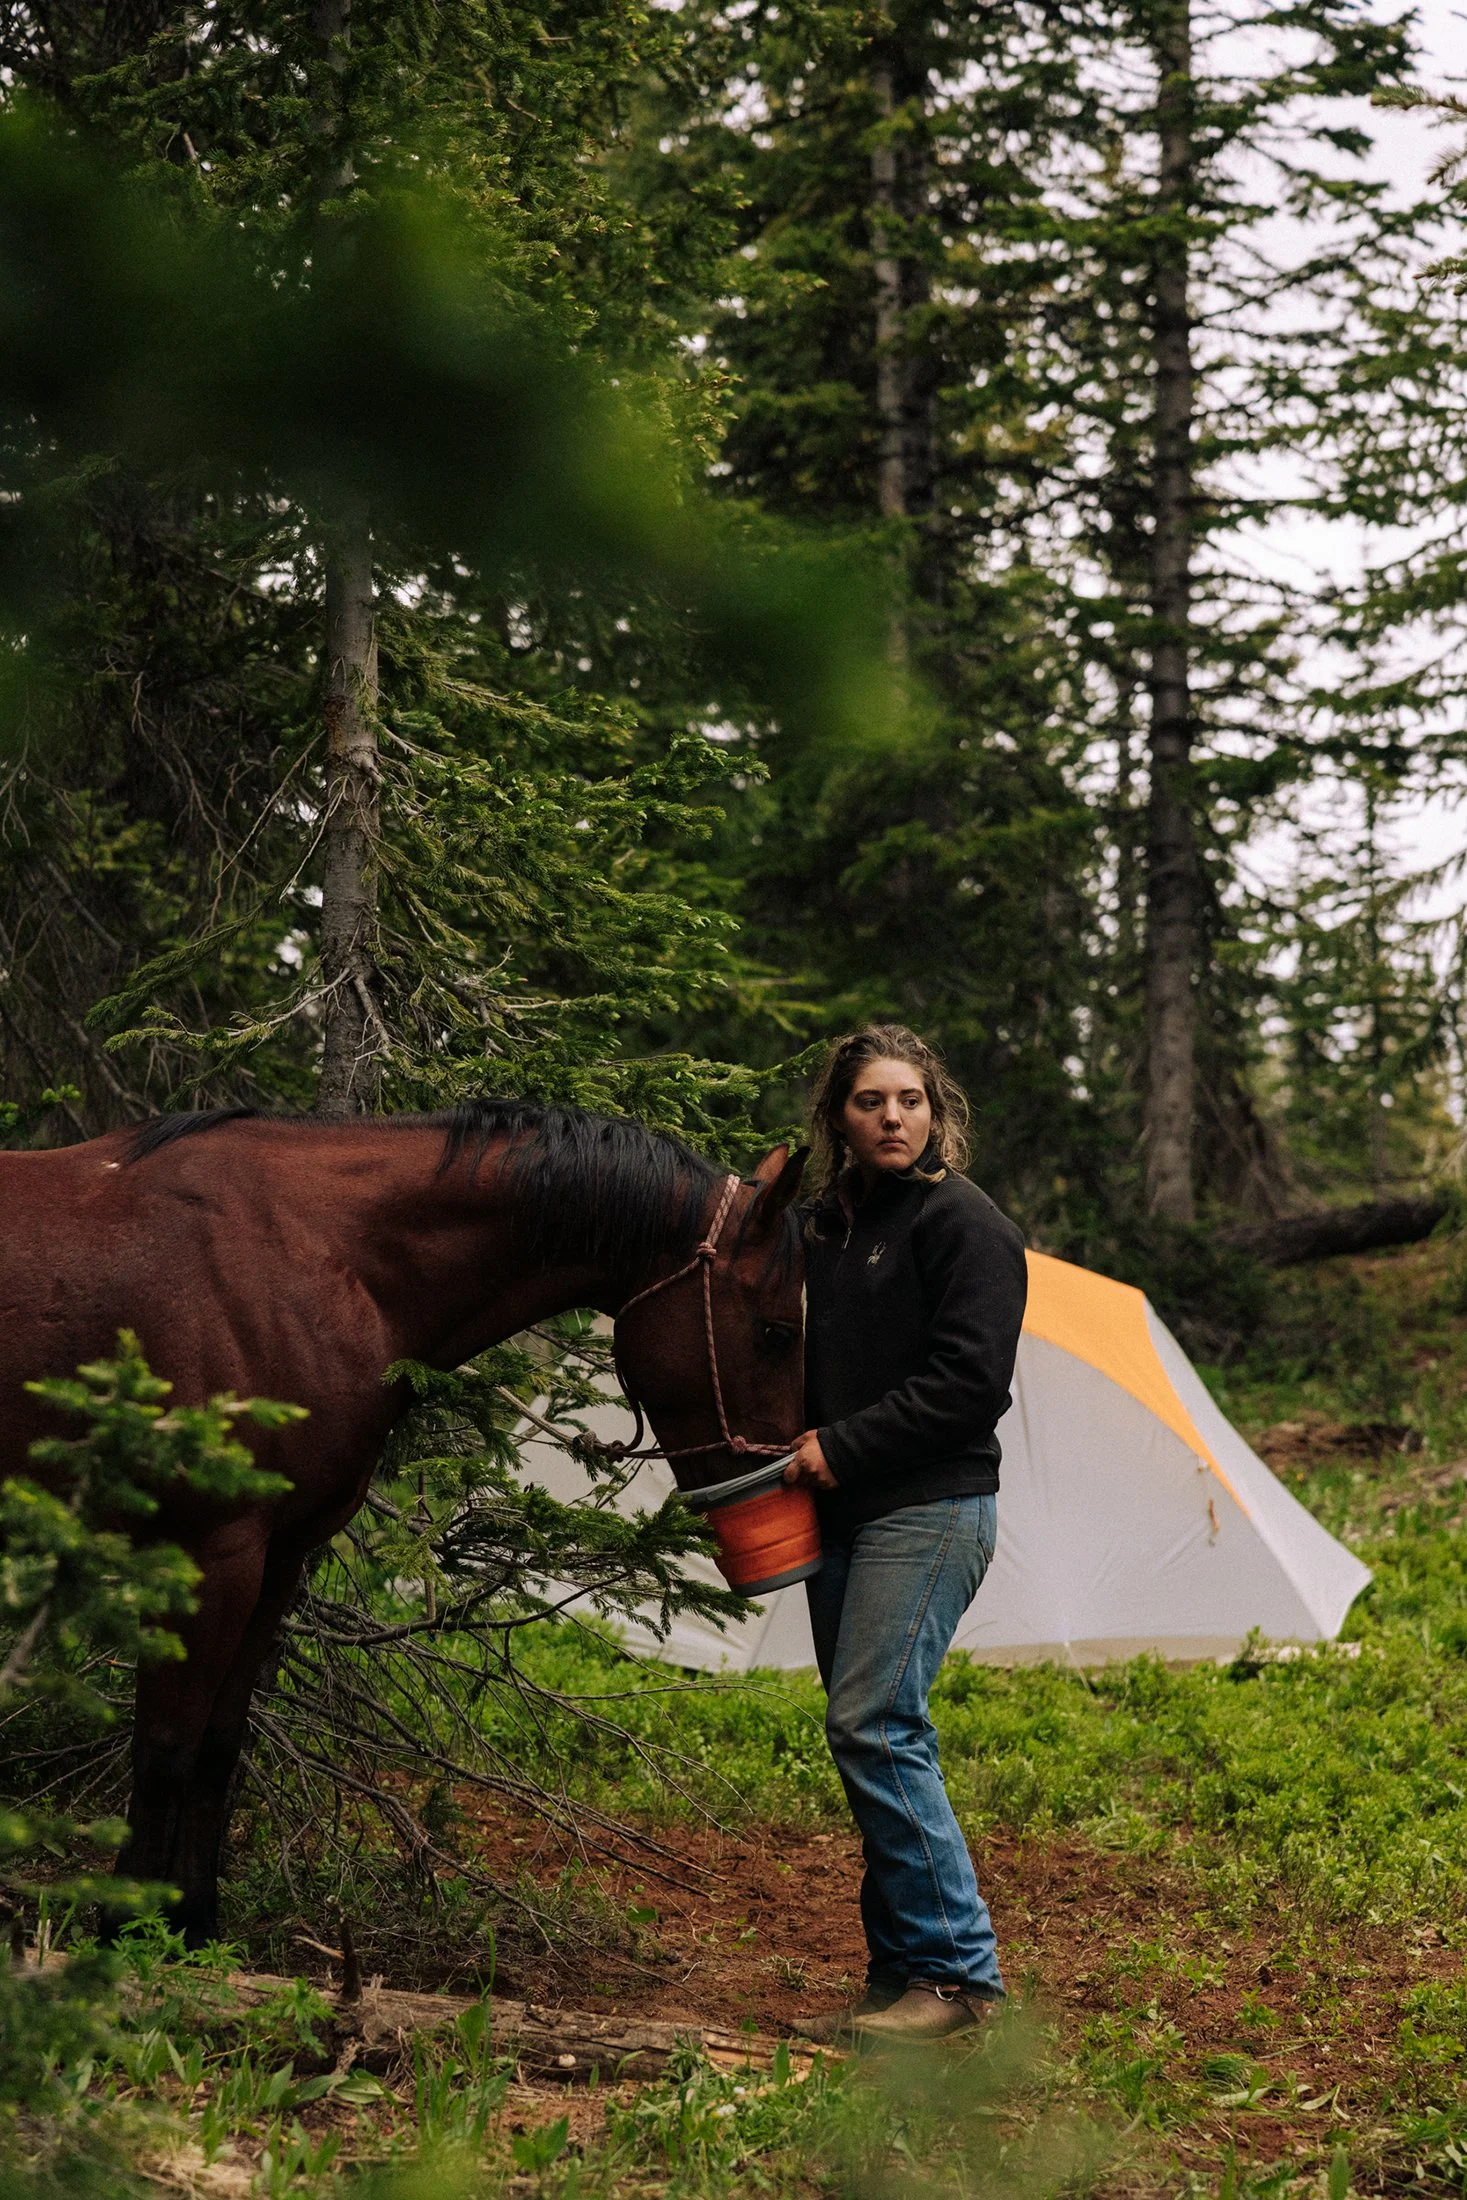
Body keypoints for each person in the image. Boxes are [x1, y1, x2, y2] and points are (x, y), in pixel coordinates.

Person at [785, 1024, 1027, 2043]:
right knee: (863, 1735)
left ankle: (957, 1977)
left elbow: (971, 1383)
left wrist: (842, 1446)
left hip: (929, 1505)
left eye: (910, 1100)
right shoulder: (822, 1229)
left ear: (936, 1111)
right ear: (838, 1118)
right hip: (838, 1512)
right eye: (870, 1100)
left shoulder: (962, 1221)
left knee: (877, 1724)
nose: (893, 1116)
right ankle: (897, 1979)